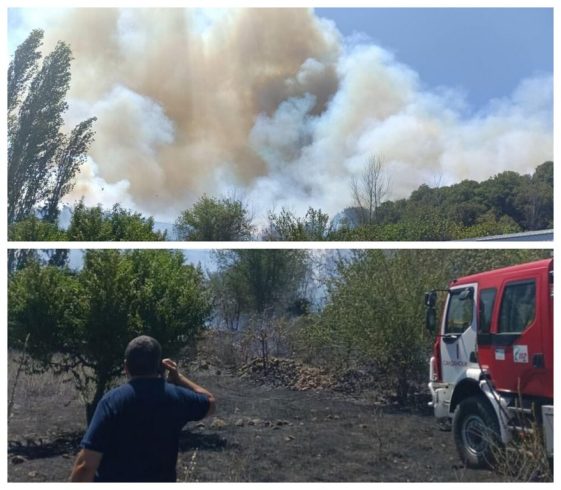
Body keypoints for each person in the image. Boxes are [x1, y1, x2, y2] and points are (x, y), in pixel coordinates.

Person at [70, 335, 216, 482]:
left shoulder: (112, 402)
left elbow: (86, 466)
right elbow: (210, 402)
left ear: (126, 367)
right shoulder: (177, 397)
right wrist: (179, 378)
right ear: (159, 366)